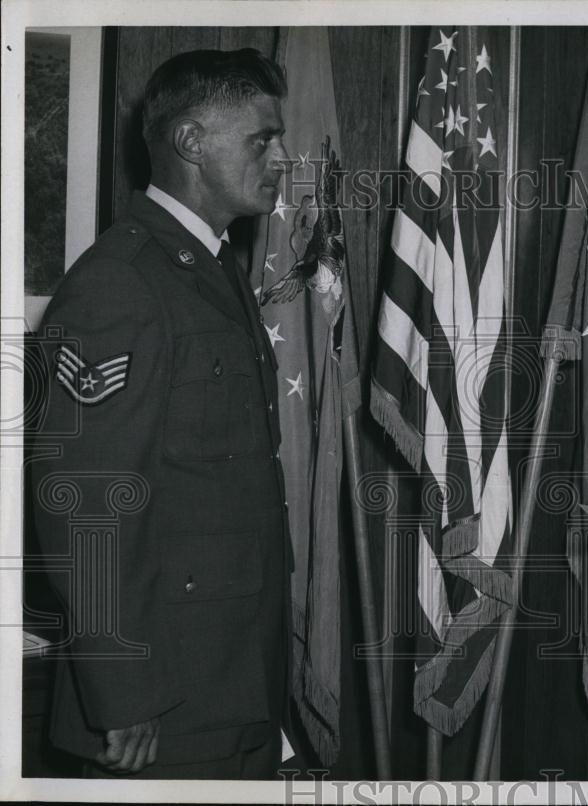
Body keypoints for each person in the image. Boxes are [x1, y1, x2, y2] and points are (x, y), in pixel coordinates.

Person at [31, 48, 292, 779]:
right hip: (159, 704)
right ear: (190, 143)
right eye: (261, 139)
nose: (282, 157)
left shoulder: (211, 267)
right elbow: (87, 501)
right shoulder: (122, 283)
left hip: (228, 676)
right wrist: (123, 689)